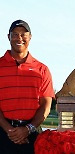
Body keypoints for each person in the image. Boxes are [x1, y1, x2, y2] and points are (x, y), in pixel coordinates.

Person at [0, 19, 55, 154]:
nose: (19, 38)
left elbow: (46, 105)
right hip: (2, 133)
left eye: (24, 34)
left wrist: (27, 129)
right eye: (15, 34)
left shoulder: (42, 69)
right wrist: (9, 130)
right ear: (8, 37)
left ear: (30, 37)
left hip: (31, 134)